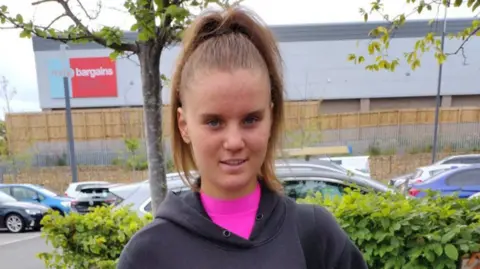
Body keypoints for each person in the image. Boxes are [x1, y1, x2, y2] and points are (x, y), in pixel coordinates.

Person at [117, 6, 368, 269]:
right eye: (214, 122)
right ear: (184, 125)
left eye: (250, 120)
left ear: (271, 118)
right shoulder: (148, 254)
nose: (234, 142)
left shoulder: (316, 237)